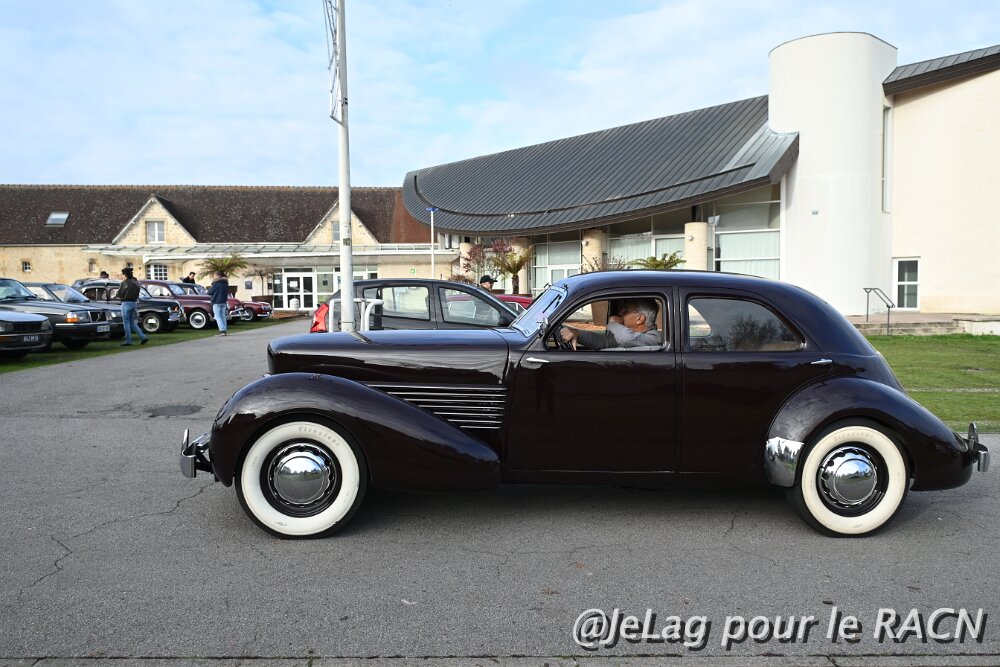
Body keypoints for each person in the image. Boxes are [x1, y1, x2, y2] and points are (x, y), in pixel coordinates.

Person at [560, 299, 660, 350]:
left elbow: (627, 339)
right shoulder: (628, 333)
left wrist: (613, 323)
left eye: (625, 311)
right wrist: (577, 334)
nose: (620, 313)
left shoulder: (655, 338)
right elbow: (603, 341)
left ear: (639, 319)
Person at [115, 267, 149, 347]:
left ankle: (128, 340)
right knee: (132, 322)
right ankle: (143, 337)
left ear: (124, 275)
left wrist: (118, 295)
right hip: (134, 303)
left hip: (126, 303)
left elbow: (120, 294)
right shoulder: (135, 283)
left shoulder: (124, 283)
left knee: (126, 323)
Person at [208, 271, 230, 336]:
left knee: (217, 316)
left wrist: (209, 289)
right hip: (223, 301)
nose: (213, 277)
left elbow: (210, 292)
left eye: (214, 275)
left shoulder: (215, 283)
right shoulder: (225, 283)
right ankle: (224, 330)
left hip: (216, 301)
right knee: (223, 316)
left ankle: (222, 331)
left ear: (217, 276)